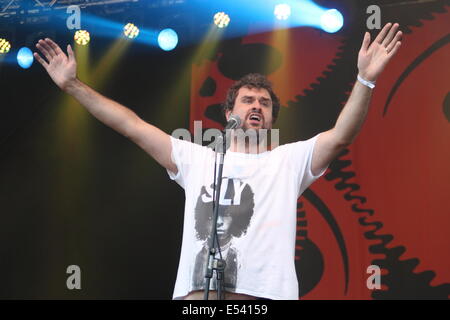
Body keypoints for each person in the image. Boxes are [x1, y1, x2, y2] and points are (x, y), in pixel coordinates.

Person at [34, 23, 402, 300]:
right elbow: (131, 126)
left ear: (272, 119)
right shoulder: (196, 158)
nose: (257, 106)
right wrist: (72, 86)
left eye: (264, 103)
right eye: (248, 100)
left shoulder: (289, 160)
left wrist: (365, 81)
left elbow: (341, 137)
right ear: (229, 111)